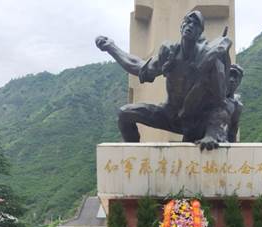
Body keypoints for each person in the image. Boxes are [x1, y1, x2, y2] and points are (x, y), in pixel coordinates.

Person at [96, 10, 233, 150]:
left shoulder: (210, 60)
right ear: (181, 27)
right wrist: (111, 47)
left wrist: (212, 133)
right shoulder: (170, 54)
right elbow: (138, 67)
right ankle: (132, 155)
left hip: (198, 121)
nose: (190, 26)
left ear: (200, 32)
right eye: (188, 22)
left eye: (195, 24)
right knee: (125, 114)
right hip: (171, 115)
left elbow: (221, 103)